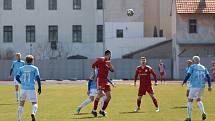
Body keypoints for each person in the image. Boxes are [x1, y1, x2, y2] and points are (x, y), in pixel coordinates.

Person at [182, 56, 212, 121]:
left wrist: (184, 81)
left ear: (193, 61)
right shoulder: (204, 67)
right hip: (202, 86)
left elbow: (188, 75)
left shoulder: (192, 67)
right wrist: (209, 86)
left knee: (190, 100)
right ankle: (203, 113)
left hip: (194, 85)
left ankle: (188, 117)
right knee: (199, 100)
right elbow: (208, 77)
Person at [16, 55, 41, 121]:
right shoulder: (35, 68)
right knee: (34, 103)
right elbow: (38, 78)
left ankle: (19, 119)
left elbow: (17, 77)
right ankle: (33, 113)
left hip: (23, 89)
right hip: (31, 89)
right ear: (32, 61)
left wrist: (21, 83)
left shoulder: (21, 68)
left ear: (26, 61)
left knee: (21, 104)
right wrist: (39, 87)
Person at [91, 50, 114, 117]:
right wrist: (94, 74)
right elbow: (93, 65)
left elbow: (112, 70)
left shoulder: (108, 62)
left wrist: (110, 65)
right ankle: (94, 110)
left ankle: (102, 110)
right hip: (100, 80)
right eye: (110, 55)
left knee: (109, 97)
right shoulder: (100, 59)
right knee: (100, 94)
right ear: (108, 54)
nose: (110, 56)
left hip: (106, 80)